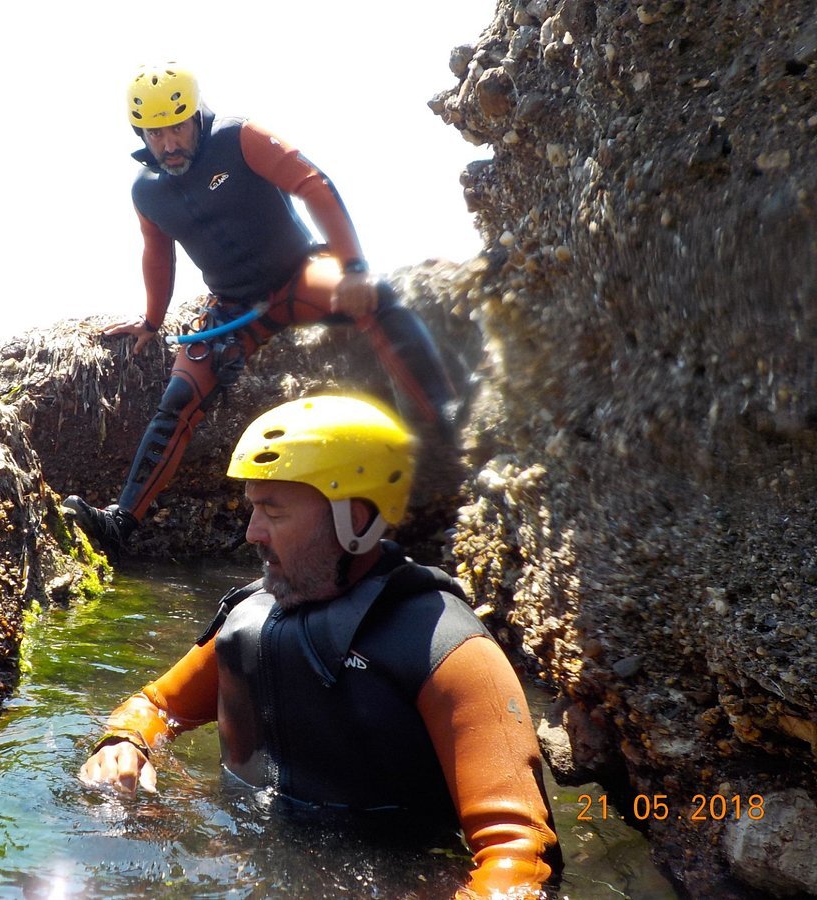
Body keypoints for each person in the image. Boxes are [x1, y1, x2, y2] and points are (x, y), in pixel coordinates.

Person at [78, 395, 562, 898]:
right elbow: (155, 706)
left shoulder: (450, 652)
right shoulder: (248, 622)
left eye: (273, 511)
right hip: (244, 861)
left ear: (355, 519)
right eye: (252, 508)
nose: (251, 533)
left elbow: (517, 851)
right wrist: (124, 744)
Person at [64, 62, 459, 558]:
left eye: (178, 127)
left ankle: (447, 427)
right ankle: (122, 523)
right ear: (140, 132)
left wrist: (354, 266)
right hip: (232, 307)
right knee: (180, 397)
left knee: (377, 299)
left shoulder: (241, 138)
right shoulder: (147, 190)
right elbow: (156, 253)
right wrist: (151, 320)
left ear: (196, 117)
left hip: (299, 277)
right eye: (156, 132)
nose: (169, 144)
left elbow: (313, 184)